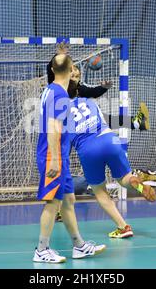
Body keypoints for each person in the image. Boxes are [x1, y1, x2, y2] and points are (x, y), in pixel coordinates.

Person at [34, 54, 106, 263]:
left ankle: (79, 246)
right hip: (52, 156)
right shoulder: (59, 94)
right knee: (52, 203)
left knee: (68, 200)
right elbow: (53, 128)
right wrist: (55, 160)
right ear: (71, 68)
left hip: (58, 155)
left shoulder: (52, 89)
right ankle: (41, 250)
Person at [65, 78, 156, 239]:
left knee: (100, 192)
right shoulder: (88, 101)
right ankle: (136, 183)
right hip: (109, 139)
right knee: (125, 178)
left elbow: (64, 143)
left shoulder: (59, 113)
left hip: (88, 148)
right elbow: (107, 118)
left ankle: (123, 226)